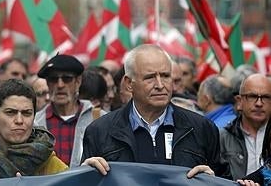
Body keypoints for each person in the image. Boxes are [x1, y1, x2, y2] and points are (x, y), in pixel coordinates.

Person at [81, 44, 228, 179]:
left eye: (165, 76)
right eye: (150, 77)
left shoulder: (202, 128)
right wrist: (85, 175)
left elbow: (225, 180)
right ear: (128, 84)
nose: (160, 85)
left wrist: (211, 180)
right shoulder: (99, 131)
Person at [34, 54, 100, 167]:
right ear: (48, 84)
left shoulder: (99, 118)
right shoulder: (34, 123)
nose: (60, 85)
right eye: (54, 79)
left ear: (78, 82)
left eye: (67, 79)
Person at [220, 73, 271, 180]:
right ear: (239, 101)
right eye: (252, 96)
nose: (259, 103)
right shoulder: (222, 138)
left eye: (266, 97)